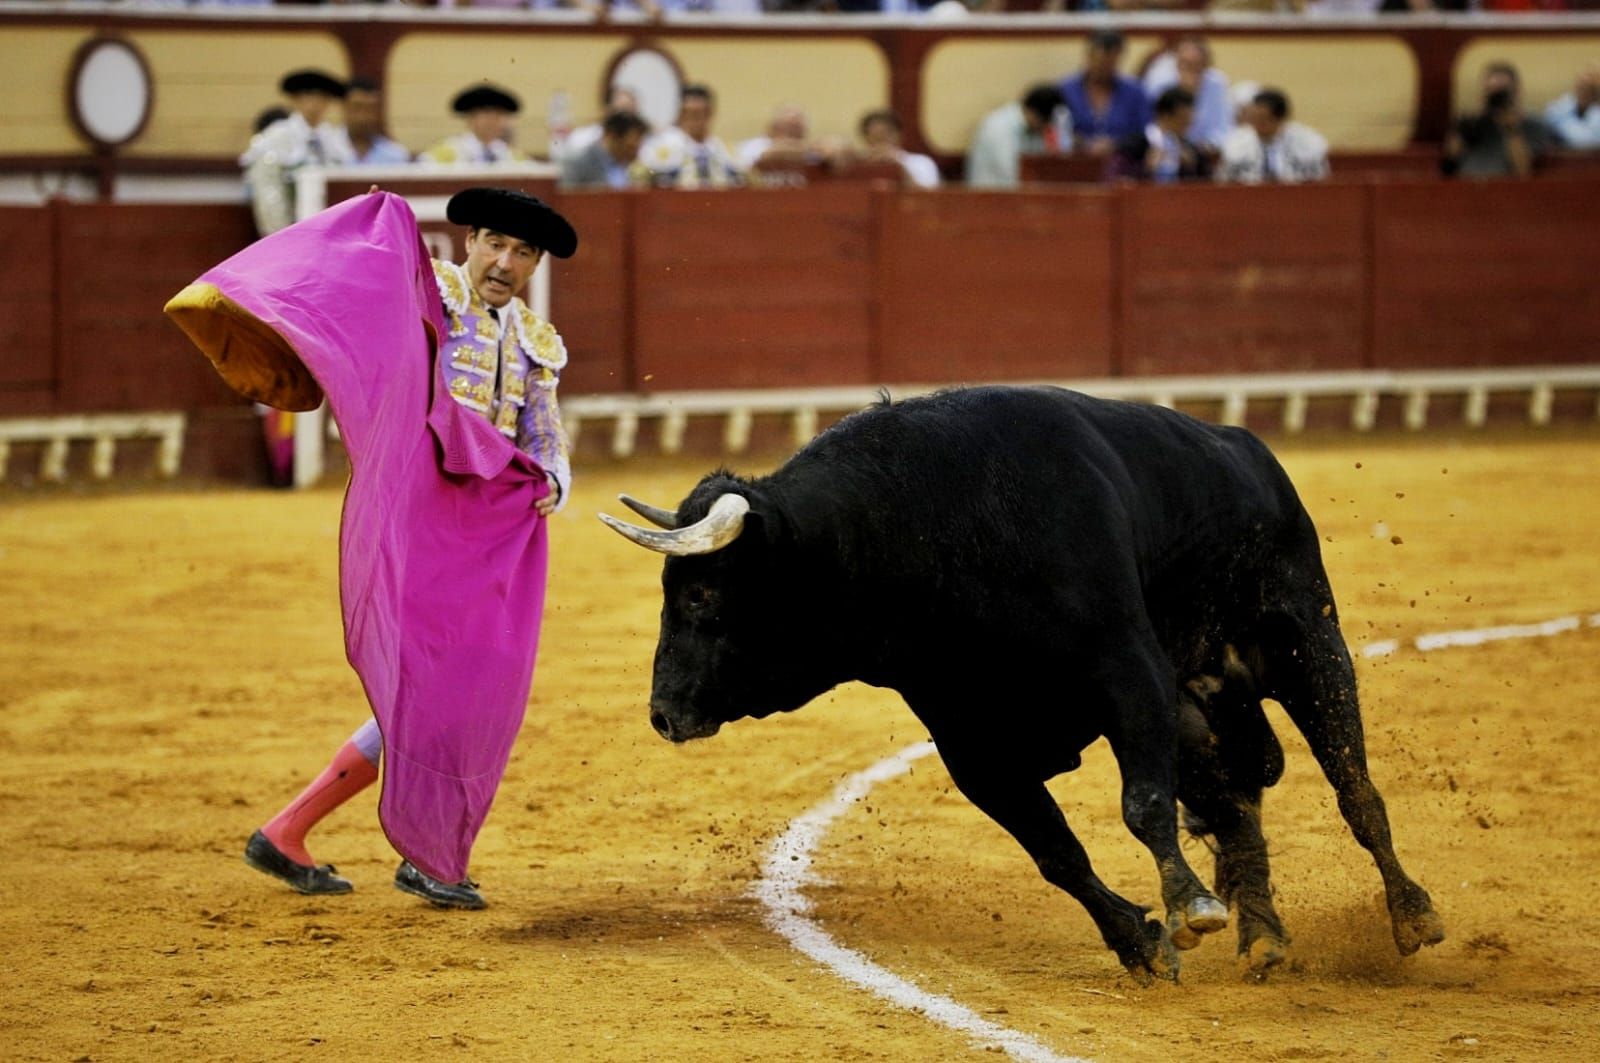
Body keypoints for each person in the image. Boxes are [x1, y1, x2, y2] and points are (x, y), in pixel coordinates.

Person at [240, 186, 578, 909]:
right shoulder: (426, 302)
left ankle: (290, 828)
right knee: (437, 689)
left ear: (535, 264)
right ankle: (421, 854)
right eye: (494, 243)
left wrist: (551, 478)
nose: (504, 261)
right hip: (421, 518)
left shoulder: (533, 340)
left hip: (483, 535)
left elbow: (541, 432)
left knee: (457, 691)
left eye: (522, 252)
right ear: (470, 241)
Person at [240, 69, 354, 237]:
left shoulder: (335, 141)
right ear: (295, 99)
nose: (315, 102)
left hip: (330, 234)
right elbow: (268, 191)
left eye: (322, 96)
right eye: (308, 95)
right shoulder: (276, 138)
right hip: (290, 231)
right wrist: (280, 237)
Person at [1442, 62, 1551, 179]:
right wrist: (1462, 130)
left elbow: (1522, 171)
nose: (1496, 99)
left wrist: (1511, 129)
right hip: (1465, 186)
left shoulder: (1533, 125)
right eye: (1490, 92)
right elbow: (1448, 167)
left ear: (1517, 92)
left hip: (1506, 189)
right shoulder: (1472, 123)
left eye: (1502, 93)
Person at [1059, 28, 1151, 158]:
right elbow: (1055, 131)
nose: (1104, 68)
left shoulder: (1136, 92)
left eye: (1111, 63)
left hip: (1123, 165)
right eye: (1100, 62)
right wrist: (1083, 143)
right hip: (1075, 163)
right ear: (1088, 56)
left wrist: (1116, 145)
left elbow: (1146, 133)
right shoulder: (1065, 90)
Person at [1216, 88, 1329, 184]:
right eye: (1253, 119)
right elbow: (1223, 181)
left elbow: (1319, 180)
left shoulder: (1308, 143)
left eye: (1262, 120)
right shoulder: (1236, 142)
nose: (1256, 125)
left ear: (1280, 119)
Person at [1142, 34, 1233, 153]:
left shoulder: (1217, 84)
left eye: (1197, 65)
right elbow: (1152, 125)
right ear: (1176, 64)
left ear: (1207, 65)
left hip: (1205, 151)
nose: (1190, 70)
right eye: (1185, 64)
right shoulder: (1160, 83)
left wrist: (1208, 147)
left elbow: (1224, 127)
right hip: (1164, 148)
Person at [641, 84, 743, 189]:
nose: (696, 121)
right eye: (690, 114)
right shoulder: (662, 147)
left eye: (701, 114)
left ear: (710, 113)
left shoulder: (725, 149)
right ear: (681, 114)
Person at [966, 84, 1067, 189]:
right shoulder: (999, 126)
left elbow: (1038, 165)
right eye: (1045, 124)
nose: (1045, 130)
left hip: (1012, 195)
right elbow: (1009, 174)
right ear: (1035, 114)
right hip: (987, 195)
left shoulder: (1032, 129)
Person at [1110, 86, 1208, 183]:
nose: (1188, 125)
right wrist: (1145, 169)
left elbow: (1207, 184)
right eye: (1182, 119)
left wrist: (1190, 169)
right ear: (1165, 116)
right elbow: (1115, 181)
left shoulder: (1191, 151)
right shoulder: (1132, 146)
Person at [421, 84, 528, 164]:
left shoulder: (513, 157)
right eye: (488, 113)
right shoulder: (446, 154)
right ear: (471, 118)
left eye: (500, 115)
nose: (495, 121)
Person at [559, 111, 652, 189]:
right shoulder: (577, 162)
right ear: (611, 136)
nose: (636, 152)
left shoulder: (631, 166)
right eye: (631, 147)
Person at [852, 109, 941, 188]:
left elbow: (931, 196)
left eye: (885, 134)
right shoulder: (858, 165)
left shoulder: (920, 162)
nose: (881, 139)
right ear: (866, 138)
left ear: (899, 135)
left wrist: (899, 169)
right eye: (875, 136)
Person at [557, 85, 638, 164]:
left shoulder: (643, 141)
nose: (625, 118)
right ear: (608, 110)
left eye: (630, 110)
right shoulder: (584, 137)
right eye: (621, 110)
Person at [344, 77, 411, 165]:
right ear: (345, 108)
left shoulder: (395, 156)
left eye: (370, 109)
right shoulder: (327, 150)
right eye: (357, 107)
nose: (363, 117)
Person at [1544, 64, 1600, 150]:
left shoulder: (1596, 113)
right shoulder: (1563, 105)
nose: (1584, 91)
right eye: (1581, 87)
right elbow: (1550, 114)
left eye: (1589, 88)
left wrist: (1560, 125)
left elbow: (1585, 141)